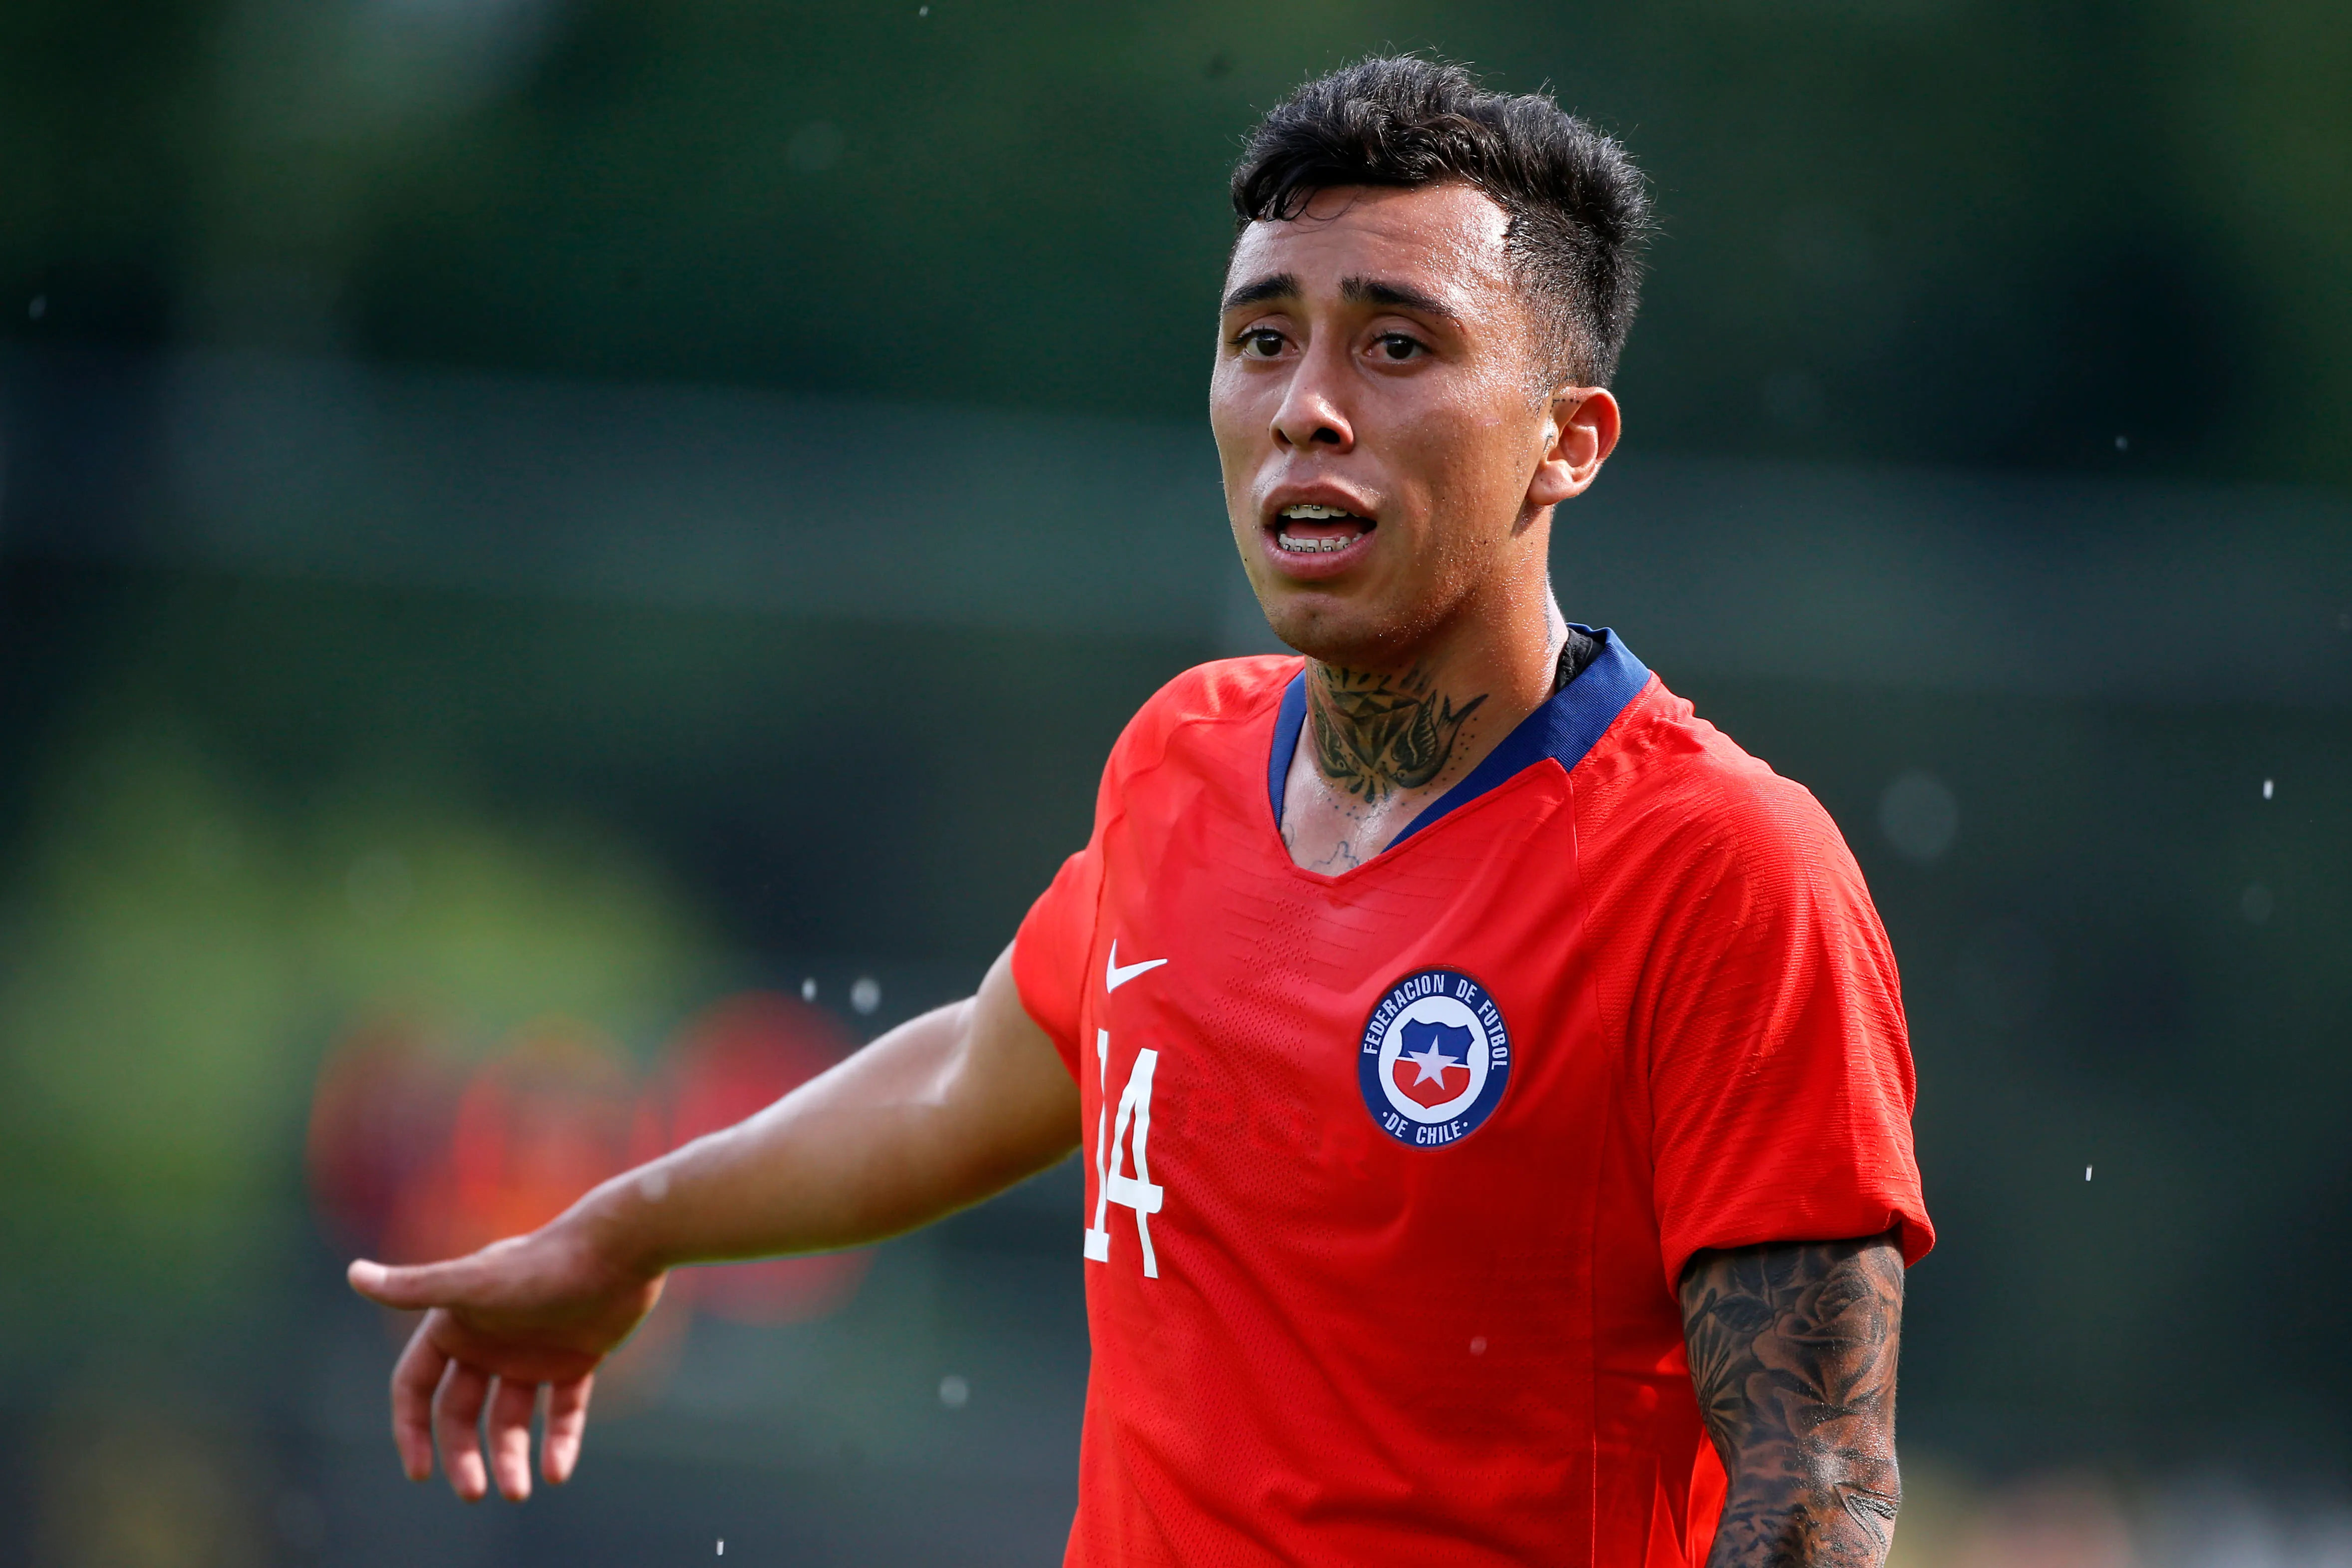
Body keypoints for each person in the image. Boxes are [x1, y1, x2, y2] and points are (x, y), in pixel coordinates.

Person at [349, 55, 1932, 1567]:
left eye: (1397, 345)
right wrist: (624, 1231)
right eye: (1263, 338)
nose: (1309, 405)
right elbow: (965, 1077)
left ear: (1566, 444)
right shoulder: (1183, 755)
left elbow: (1820, 1483)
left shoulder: (1723, 869)